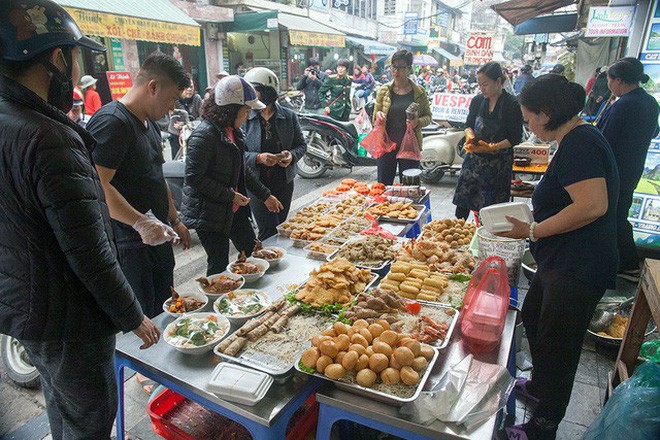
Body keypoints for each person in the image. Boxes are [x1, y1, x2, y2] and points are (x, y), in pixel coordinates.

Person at [0, 1, 160, 438]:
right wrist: (132, 315)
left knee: (63, 409)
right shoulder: (48, 136)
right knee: (89, 420)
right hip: (69, 318)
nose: (76, 72)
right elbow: (89, 249)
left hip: (26, 310)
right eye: (74, 58)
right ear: (56, 58)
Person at [498, 74, 619, 440]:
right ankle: (538, 386)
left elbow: (593, 205)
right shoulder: (573, 139)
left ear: (547, 113)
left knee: (559, 345)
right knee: (533, 320)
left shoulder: (581, 143)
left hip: (579, 266)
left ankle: (544, 424)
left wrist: (533, 230)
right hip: (560, 260)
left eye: (530, 117)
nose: (529, 125)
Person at [87, 53, 192, 321]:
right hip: (130, 244)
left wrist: (174, 219)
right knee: (141, 319)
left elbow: (157, 177)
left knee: (165, 308)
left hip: (158, 237)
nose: (171, 108)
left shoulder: (150, 125)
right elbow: (98, 184)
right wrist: (140, 223)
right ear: (153, 86)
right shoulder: (113, 122)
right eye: (171, 99)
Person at [180, 76, 279, 275]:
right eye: (246, 110)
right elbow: (194, 178)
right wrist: (230, 195)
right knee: (219, 265)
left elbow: (242, 169)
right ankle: (218, 302)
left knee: (251, 251)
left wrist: (265, 195)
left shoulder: (234, 132)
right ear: (231, 110)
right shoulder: (204, 136)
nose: (248, 114)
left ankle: (249, 298)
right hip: (209, 214)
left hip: (233, 210)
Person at [597, 58, 660, 281]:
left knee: (613, 216)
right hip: (633, 167)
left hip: (616, 170)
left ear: (619, 80)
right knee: (618, 212)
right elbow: (654, 132)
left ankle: (627, 263)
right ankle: (623, 262)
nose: (608, 85)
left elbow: (605, 140)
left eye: (609, 80)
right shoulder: (650, 102)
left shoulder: (623, 104)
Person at [453, 62, 523, 220]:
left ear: (498, 81)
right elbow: (468, 126)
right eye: (479, 85)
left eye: (485, 84)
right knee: (462, 206)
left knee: (490, 212)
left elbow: (515, 137)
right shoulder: (477, 101)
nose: (482, 88)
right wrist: (470, 137)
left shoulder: (511, 104)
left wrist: (492, 147)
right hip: (473, 162)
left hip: (498, 166)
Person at [244, 67, 307, 240]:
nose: (251, 94)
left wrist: (291, 156)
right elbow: (236, 154)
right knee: (268, 230)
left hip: (283, 182)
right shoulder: (245, 117)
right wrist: (258, 158)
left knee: (280, 226)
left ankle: (275, 261)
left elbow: (301, 145)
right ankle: (267, 263)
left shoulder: (289, 116)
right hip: (257, 184)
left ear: (266, 91)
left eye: (254, 89)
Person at [373, 50, 432, 185]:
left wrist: (417, 122)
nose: (396, 71)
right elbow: (374, 119)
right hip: (386, 146)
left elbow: (428, 117)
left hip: (410, 147)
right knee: (383, 186)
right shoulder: (383, 91)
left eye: (401, 67)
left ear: (409, 69)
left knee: (409, 188)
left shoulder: (419, 92)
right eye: (394, 67)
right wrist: (378, 118)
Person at [167, 79, 203, 159]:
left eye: (191, 87)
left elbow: (202, 116)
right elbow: (172, 117)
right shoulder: (175, 100)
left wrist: (188, 124)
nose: (190, 89)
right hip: (176, 133)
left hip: (193, 130)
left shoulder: (197, 98)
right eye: (186, 87)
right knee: (177, 156)